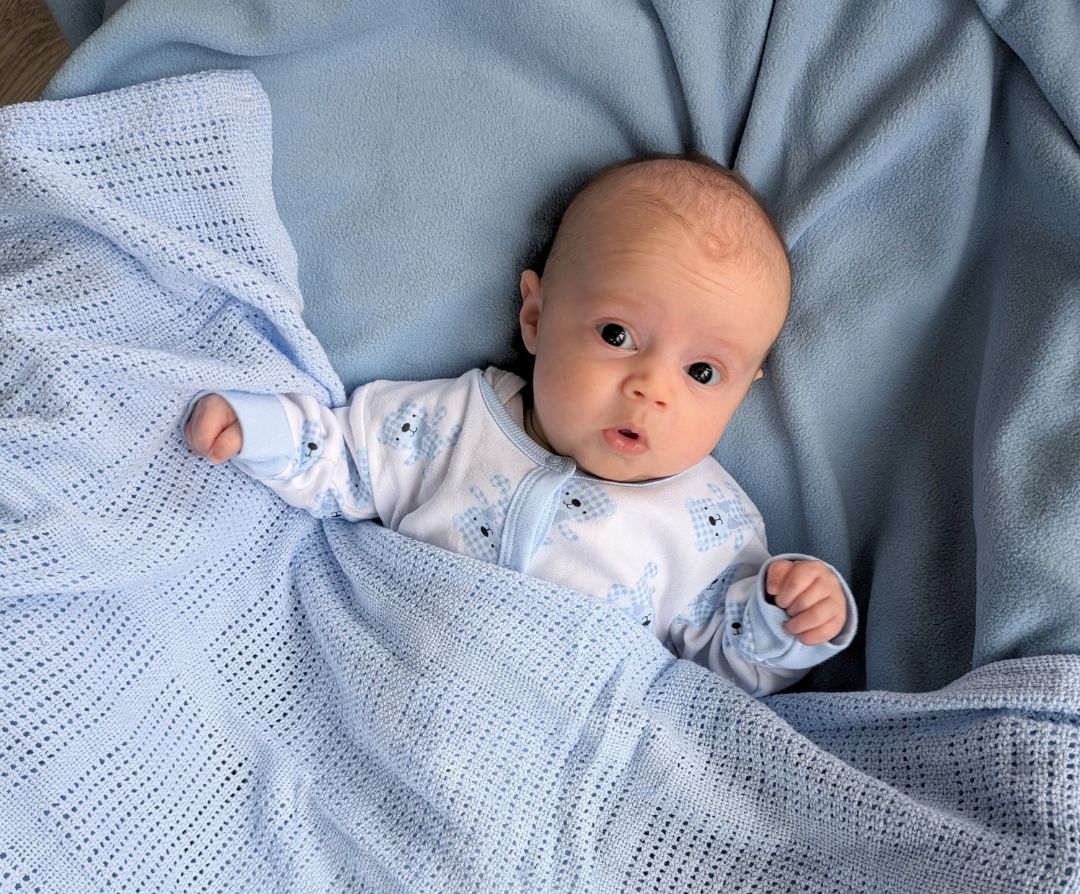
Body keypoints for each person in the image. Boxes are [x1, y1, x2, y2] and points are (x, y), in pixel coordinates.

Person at [183, 153, 856, 696]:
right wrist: (258, 430)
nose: (651, 388)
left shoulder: (711, 521)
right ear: (535, 319)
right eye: (618, 334)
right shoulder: (456, 421)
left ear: (741, 393)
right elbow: (343, 457)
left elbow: (726, 667)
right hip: (387, 683)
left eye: (702, 373)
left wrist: (788, 618)